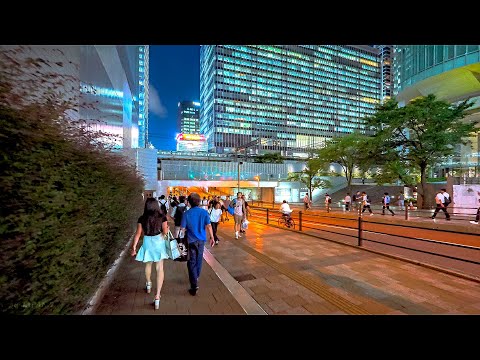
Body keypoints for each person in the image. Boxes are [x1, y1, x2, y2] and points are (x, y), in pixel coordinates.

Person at [131, 198, 170, 310]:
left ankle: (148, 284)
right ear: (156, 205)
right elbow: (165, 233)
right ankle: (157, 296)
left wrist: (134, 247)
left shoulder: (142, 218)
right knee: (159, 268)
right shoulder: (162, 216)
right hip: (159, 242)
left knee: (148, 265)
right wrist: (166, 230)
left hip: (147, 242)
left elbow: (138, 233)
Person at [180, 192, 215, 296]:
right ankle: (196, 276)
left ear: (189, 202)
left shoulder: (186, 213)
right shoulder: (204, 212)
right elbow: (209, 226)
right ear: (199, 202)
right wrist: (212, 237)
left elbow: (182, 229)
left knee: (191, 261)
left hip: (190, 241)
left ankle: (194, 284)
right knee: (199, 259)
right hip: (201, 241)